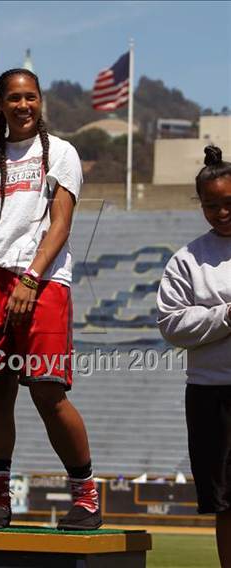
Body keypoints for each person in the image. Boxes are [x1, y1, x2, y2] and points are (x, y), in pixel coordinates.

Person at [0, 68, 102, 531]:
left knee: (49, 393)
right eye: (13, 98)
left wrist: (32, 279)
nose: (23, 105)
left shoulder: (62, 153)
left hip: (43, 281)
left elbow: (61, 223)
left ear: (41, 100)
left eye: (30, 97)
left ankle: (86, 497)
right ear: (1, 104)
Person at [157, 145, 231, 568]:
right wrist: (227, 314)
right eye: (211, 205)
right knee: (226, 504)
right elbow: (171, 325)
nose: (221, 213)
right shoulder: (187, 260)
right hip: (211, 395)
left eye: (229, 203)